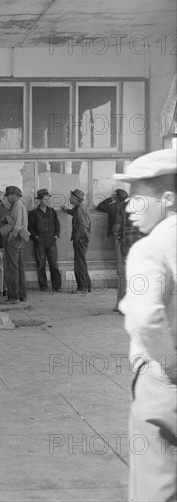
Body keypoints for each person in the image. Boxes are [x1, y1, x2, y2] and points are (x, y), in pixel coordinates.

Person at [113, 149, 176, 502]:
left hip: (165, 385)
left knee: (158, 486)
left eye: (138, 198)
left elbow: (146, 317)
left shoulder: (151, 249)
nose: (128, 207)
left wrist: (171, 368)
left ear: (167, 199)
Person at [97, 189, 143, 311]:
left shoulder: (124, 207)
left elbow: (116, 229)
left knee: (123, 275)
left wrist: (119, 234)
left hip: (125, 245)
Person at [28, 189, 62, 292]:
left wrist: (56, 235)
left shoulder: (52, 211)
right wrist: (36, 237)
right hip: (40, 241)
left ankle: (57, 286)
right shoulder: (34, 213)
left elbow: (57, 224)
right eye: (46, 199)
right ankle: (43, 286)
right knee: (41, 264)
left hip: (51, 241)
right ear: (40, 200)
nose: (48, 201)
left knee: (53, 264)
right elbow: (30, 227)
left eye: (48, 199)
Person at [62, 189, 92, 294]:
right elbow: (75, 213)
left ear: (75, 199)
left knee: (79, 264)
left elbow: (83, 226)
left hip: (81, 239)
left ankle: (82, 287)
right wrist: (67, 210)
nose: (69, 198)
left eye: (71, 197)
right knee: (81, 262)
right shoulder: (79, 208)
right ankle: (87, 286)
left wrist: (77, 237)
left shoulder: (79, 209)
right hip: (83, 238)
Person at [4, 186, 30, 304]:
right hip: (21, 240)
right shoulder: (19, 206)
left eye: (8, 195)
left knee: (12, 269)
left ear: (14, 195)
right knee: (19, 268)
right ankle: (22, 295)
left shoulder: (18, 207)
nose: (7, 198)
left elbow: (17, 226)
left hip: (15, 239)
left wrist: (10, 237)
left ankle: (13, 297)